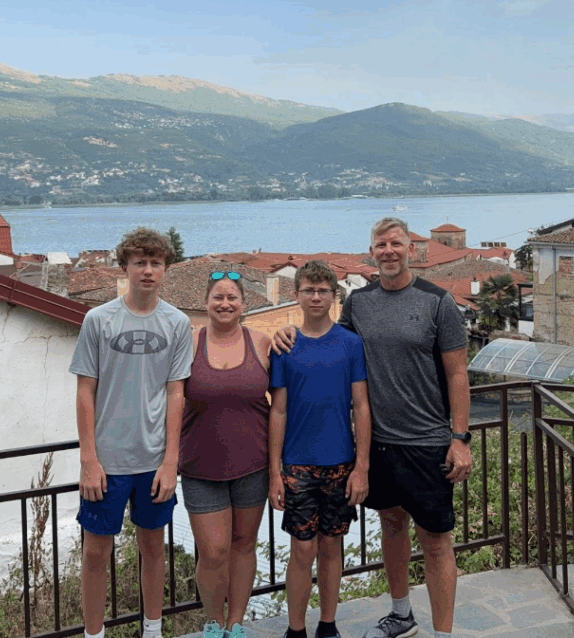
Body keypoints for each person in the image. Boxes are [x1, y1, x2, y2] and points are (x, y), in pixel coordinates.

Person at [274, 218, 472, 638]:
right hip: (379, 442)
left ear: (410, 250)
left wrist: (460, 439)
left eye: (396, 244)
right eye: (380, 245)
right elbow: (326, 341)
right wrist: (286, 330)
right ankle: (401, 615)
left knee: (436, 540)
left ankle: (443, 633)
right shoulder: (359, 303)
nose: (388, 251)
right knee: (391, 526)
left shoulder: (438, 302)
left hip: (428, 441)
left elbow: (458, 374)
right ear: (372, 252)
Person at [70, 227, 193, 638]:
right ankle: (93, 634)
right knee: (95, 553)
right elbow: (84, 391)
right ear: (125, 267)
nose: (148, 270)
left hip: (154, 460)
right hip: (107, 462)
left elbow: (176, 393)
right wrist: (89, 459)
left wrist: (171, 462)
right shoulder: (98, 320)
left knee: (154, 548)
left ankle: (152, 630)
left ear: (166, 268)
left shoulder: (177, 323)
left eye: (156, 263)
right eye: (140, 262)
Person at [268, 260, 371, 638]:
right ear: (297, 295)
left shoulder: (350, 344)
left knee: (331, 548)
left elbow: (361, 406)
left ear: (333, 296)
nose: (315, 297)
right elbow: (278, 410)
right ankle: (295, 629)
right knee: (302, 550)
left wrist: (362, 468)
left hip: (341, 464)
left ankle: (328, 624)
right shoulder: (285, 346)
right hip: (298, 466)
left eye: (322, 290)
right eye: (308, 290)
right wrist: (274, 472)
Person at [179, 270, 273, 638]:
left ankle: (236, 623)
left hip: (254, 464)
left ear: (244, 304)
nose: (225, 303)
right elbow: (171, 399)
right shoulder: (188, 343)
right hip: (200, 466)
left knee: (244, 544)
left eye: (232, 297)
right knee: (214, 551)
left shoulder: (262, 343)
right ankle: (213, 622)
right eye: (218, 297)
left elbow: (281, 402)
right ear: (205, 303)